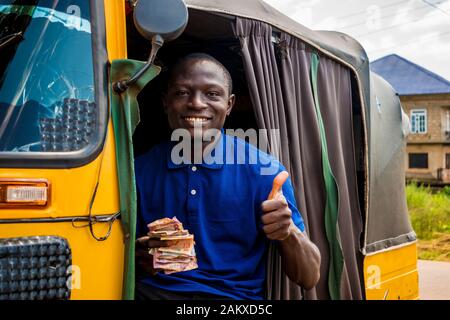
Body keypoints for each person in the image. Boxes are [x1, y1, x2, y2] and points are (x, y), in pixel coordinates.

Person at [134, 53, 320, 300]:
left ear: (229, 104)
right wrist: (136, 256)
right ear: (165, 102)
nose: (197, 103)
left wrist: (287, 232)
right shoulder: (137, 172)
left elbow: (309, 278)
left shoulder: (265, 172)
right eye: (182, 93)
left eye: (212, 94)